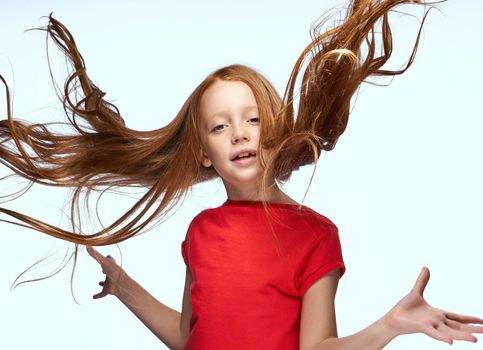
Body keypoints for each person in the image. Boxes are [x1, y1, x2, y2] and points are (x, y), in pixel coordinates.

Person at [1, 0, 482, 349]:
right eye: (219, 125)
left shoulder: (316, 235)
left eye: (252, 119)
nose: (238, 134)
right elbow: (191, 339)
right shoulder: (202, 232)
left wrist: (389, 326)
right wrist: (124, 287)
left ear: (274, 129)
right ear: (205, 153)